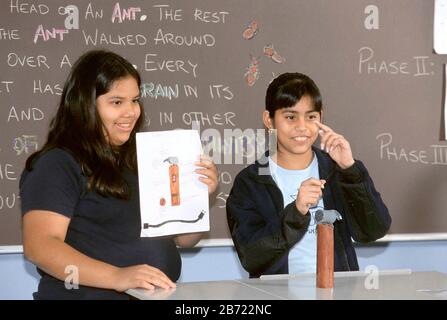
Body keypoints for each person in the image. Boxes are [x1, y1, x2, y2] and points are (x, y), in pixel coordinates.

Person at [20, 50, 218, 299]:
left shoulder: (141, 159)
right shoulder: (57, 163)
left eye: (135, 100)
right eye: (116, 102)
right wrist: (117, 276)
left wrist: (197, 195)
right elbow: (41, 247)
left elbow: (184, 239)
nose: (131, 112)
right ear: (86, 104)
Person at [226, 72, 391, 278]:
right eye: (290, 117)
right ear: (269, 120)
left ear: (321, 117)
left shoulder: (336, 170)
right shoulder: (251, 182)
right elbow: (251, 256)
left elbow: (374, 230)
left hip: (336, 292)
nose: (302, 127)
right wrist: (296, 212)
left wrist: (349, 169)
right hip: (276, 294)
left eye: (311, 117)